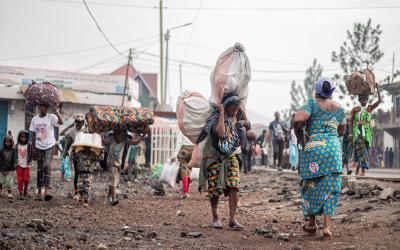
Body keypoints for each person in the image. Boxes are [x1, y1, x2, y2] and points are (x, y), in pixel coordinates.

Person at [293, 77, 346, 239]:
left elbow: (297, 119)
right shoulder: (339, 108)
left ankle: (311, 223)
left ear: (317, 91)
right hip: (333, 150)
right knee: (331, 187)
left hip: (314, 149)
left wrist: (298, 133)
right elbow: (342, 131)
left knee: (310, 184)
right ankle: (327, 227)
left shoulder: (312, 104)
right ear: (331, 92)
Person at [197, 93, 245, 230]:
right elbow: (221, 134)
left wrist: (242, 112)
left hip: (231, 156)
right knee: (214, 189)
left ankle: (232, 219)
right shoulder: (215, 118)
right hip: (214, 157)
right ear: (226, 106)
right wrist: (222, 112)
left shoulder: (234, 119)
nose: (236, 110)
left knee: (234, 185)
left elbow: (248, 126)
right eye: (233, 107)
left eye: (237, 107)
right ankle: (215, 217)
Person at [29, 105, 63, 201]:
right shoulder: (35, 119)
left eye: (45, 107)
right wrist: (33, 149)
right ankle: (39, 191)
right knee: (40, 168)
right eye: (42, 107)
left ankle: (47, 191)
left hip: (49, 145)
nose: (44, 109)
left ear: (47, 108)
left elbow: (61, 122)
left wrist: (57, 112)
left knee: (47, 165)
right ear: (39, 108)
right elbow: (33, 134)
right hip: (39, 146)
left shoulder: (51, 117)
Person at [102, 128, 141, 206]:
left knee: (115, 180)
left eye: (123, 136)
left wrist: (141, 135)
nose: (121, 137)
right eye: (119, 135)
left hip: (118, 163)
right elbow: (104, 141)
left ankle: (109, 196)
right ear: (116, 134)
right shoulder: (111, 139)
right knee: (113, 178)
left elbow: (135, 142)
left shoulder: (124, 140)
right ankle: (113, 198)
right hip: (110, 162)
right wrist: (101, 133)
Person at [351, 87, 382, 176]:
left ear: (367, 100)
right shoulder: (355, 109)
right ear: (359, 100)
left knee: (364, 153)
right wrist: (350, 133)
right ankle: (360, 171)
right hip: (357, 134)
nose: (364, 101)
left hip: (367, 135)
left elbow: (379, 100)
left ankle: (360, 171)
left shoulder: (369, 108)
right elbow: (351, 122)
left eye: (365, 99)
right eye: (362, 99)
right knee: (360, 153)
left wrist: (377, 88)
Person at [70, 132, 102, 206]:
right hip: (81, 172)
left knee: (87, 186)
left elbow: (100, 158)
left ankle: (86, 201)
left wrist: (101, 151)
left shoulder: (92, 154)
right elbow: (73, 157)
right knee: (80, 186)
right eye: (85, 146)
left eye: (88, 146)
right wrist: (73, 150)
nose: (86, 147)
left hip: (88, 172)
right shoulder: (80, 153)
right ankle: (81, 198)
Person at [62, 114, 86, 198]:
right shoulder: (72, 130)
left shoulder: (86, 130)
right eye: (77, 122)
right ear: (75, 122)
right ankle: (76, 192)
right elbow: (65, 137)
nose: (79, 124)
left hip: (85, 154)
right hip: (76, 153)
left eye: (80, 122)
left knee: (84, 173)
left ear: (83, 122)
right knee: (77, 172)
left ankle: (83, 192)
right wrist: (65, 152)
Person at [15, 130, 33, 199]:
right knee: (20, 179)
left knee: (26, 179)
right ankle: (20, 193)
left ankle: (25, 188)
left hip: (27, 164)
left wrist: (33, 158)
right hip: (18, 164)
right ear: (19, 137)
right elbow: (14, 155)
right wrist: (14, 163)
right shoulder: (17, 145)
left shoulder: (29, 144)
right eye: (21, 137)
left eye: (24, 137)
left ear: (27, 137)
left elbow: (32, 152)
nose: (23, 138)